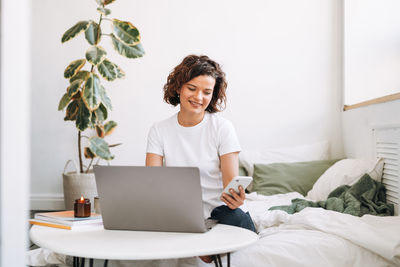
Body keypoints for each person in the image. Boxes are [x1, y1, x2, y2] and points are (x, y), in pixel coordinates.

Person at [145, 54, 256, 263]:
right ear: (178, 88)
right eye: (192, 88)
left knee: (237, 217)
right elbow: (153, 182)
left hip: (221, 213)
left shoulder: (222, 128)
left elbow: (230, 185)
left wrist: (237, 197)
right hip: (181, 214)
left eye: (207, 92)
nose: (199, 97)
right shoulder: (159, 130)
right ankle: (198, 241)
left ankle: (200, 244)